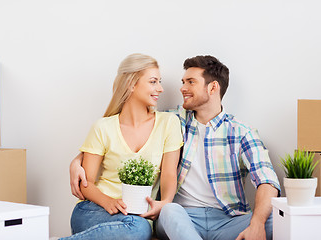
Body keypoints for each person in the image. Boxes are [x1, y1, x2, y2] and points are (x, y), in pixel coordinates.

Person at [70, 55, 280, 240]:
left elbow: (268, 181)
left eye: (190, 82)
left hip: (227, 219)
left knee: (278, 220)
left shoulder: (241, 132)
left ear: (213, 87)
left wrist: (257, 224)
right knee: (169, 210)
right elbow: (115, 134)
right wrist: (77, 160)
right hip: (182, 216)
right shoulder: (175, 120)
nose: (181, 88)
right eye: (183, 81)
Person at [62, 53, 183, 240]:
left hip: (135, 218)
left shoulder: (168, 123)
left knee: (139, 229)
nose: (160, 88)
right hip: (93, 210)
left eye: (160, 81)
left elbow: (168, 174)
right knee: (138, 230)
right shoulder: (103, 127)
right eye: (153, 82)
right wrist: (108, 201)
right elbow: (87, 183)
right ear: (131, 84)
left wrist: (165, 203)